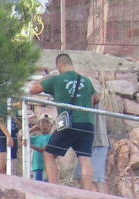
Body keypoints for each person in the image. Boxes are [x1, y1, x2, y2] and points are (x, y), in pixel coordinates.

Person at [29, 53, 99, 191]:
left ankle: (55, 188)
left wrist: (48, 76)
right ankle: (87, 192)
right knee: (85, 158)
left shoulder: (56, 80)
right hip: (87, 123)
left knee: (48, 154)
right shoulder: (86, 80)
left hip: (68, 124)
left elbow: (33, 89)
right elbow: (96, 98)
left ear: (59, 65)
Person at [74, 110, 109, 193]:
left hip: (98, 142)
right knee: (81, 176)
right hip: (88, 143)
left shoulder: (92, 99)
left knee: (92, 179)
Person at [0, 99, 19, 175]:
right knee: (3, 160)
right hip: (3, 134)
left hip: (13, 135)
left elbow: (19, 123)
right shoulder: (0, 102)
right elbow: (0, 121)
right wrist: (8, 136)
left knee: (11, 164)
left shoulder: (15, 104)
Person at [27, 116, 52, 181]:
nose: (44, 125)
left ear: (51, 125)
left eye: (47, 122)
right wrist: (32, 129)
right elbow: (22, 137)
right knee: (37, 185)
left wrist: (30, 146)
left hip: (45, 166)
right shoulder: (37, 137)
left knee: (45, 185)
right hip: (36, 165)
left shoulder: (51, 137)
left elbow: (44, 150)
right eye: (41, 123)